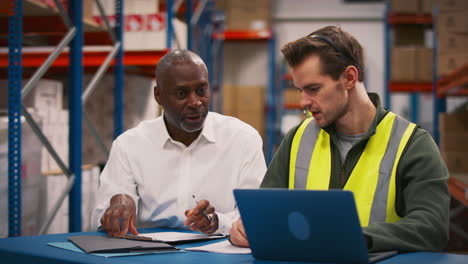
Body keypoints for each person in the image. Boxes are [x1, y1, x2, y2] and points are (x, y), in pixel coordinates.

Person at [230, 26, 450, 252]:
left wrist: (355, 238)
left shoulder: (412, 144)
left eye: (313, 88)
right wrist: (244, 227)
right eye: (299, 90)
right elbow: (266, 210)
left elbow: (432, 227)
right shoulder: (297, 138)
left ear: (349, 77)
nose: (303, 102)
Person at [92, 49, 267, 237]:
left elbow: (256, 214)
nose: (195, 102)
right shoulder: (129, 145)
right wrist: (118, 206)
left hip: (218, 249)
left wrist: (218, 222)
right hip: (148, 251)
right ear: (158, 95)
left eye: (201, 91)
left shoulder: (242, 139)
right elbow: (103, 217)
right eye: (182, 93)